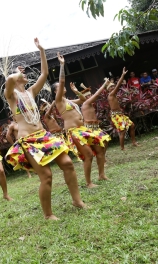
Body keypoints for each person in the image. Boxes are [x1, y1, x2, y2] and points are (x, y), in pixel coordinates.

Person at [4, 40, 86, 220]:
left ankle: (77, 201)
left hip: (44, 135)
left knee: (68, 164)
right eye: (21, 74)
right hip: (29, 140)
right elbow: (9, 80)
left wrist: (41, 50)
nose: (25, 75)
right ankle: (48, 214)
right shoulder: (11, 96)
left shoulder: (31, 92)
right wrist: (16, 73)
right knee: (46, 176)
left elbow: (45, 72)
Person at [52, 57, 109, 188]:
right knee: (88, 155)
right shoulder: (58, 100)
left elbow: (83, 99)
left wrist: (77, 91)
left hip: (83, 129)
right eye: (59, 88)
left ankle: (101, 175)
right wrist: (62, 65)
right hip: (73, 131)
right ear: (56, 91)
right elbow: (61, 82)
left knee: (100, 148)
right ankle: (89, 183)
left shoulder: (69, 101)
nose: (62, 88)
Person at [80, 79, 112, 180]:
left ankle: (102, 174)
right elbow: (97, 94)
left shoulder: (89, 104)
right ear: (85, 97)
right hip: (90, 130)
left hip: (96, 128)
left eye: (90, 95)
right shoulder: (85, 103)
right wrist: (104, 85)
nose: (90, 97)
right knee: (99, 151)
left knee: (105, 142)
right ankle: (101, 175)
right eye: (88, 96)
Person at [108, 67, 139, 150]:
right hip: (116, 116)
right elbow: (118, 85)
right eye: (112, 87)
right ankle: (122, 147)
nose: (114, 87)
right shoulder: (111, 94)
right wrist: (122, 75)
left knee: (132, 125)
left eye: (113, 86)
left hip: (120, 114)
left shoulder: (113, 95)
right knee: (123, 131)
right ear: (108, 89)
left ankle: (134, 142)